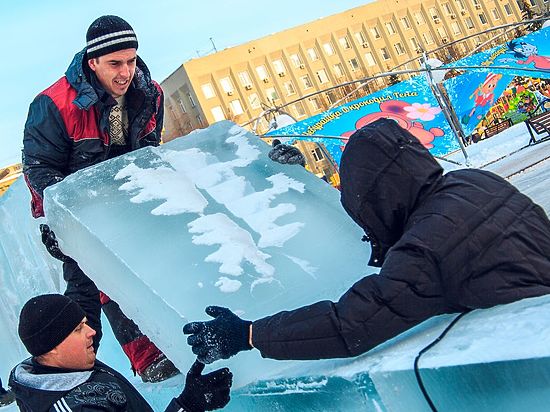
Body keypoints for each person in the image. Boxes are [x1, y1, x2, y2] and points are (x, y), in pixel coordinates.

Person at [183, 117, 550, 363]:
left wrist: (247, 334)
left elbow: (350, 326)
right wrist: (303, 182)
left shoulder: (423, 251)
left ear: (376, 196)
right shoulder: (475, 182)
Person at [22, 15, 178, 382]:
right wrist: (57, 220)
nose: (125, 72)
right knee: (88, 285)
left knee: (157, 264)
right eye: (115, 63)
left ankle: (176, 342)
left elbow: (150, 148)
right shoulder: (53, 104)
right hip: (81, 209)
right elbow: (39, 167)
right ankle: (69, 374)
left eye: (131, 60)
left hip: (130, 200)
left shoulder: (149, 93)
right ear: (92, 62)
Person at [9, 293, 232, 411]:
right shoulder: (75, 408)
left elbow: (82, 296)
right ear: (54, 347)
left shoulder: (62, 362)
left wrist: (71, 254)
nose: (91, 332)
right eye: (79, 329)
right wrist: (188, 406)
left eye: (84, 323)